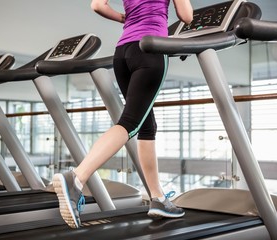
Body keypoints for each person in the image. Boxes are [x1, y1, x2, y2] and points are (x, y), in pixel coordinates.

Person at [52, 0, 193, 228]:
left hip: (122, 53)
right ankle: (76, 177)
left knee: (147, 126)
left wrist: (122, 17)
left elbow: (97, 5)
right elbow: (186, 16)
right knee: (130, 123)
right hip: (151, 47)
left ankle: (157, 198)